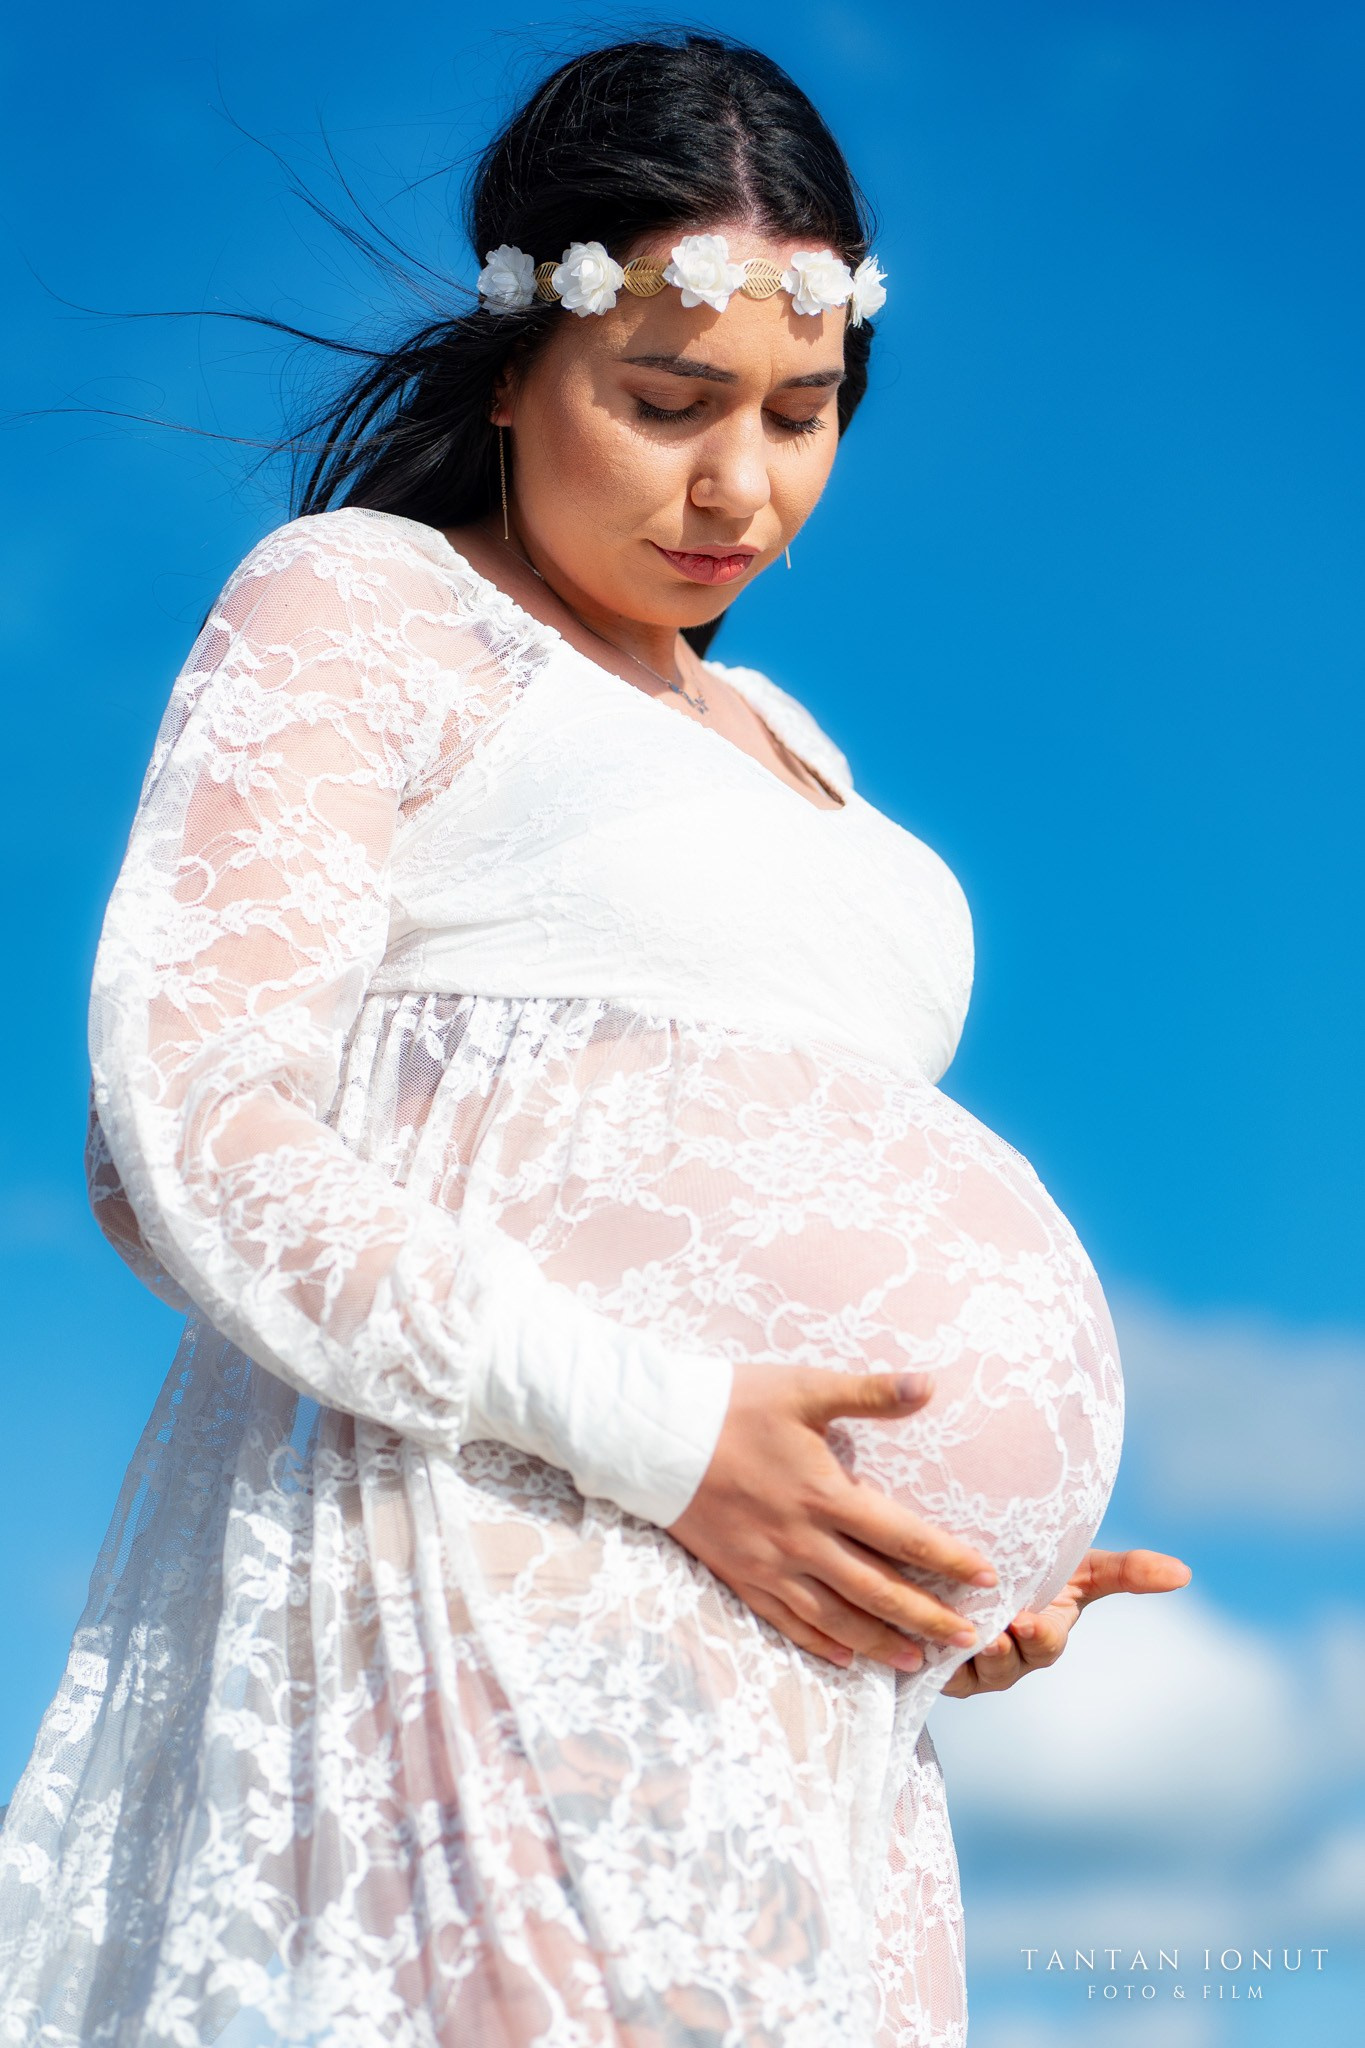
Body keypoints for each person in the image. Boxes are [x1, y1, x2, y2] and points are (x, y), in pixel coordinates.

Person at [0, 31, 1189, 2048]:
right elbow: (181, 1129)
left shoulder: (793, 750)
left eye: (802, 416)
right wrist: (672, 1436)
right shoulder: (367, 609)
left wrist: (940, 1566)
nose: (739, 487)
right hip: (490, 1587)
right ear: (509, 368)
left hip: (799, 1704)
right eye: (664, 404)